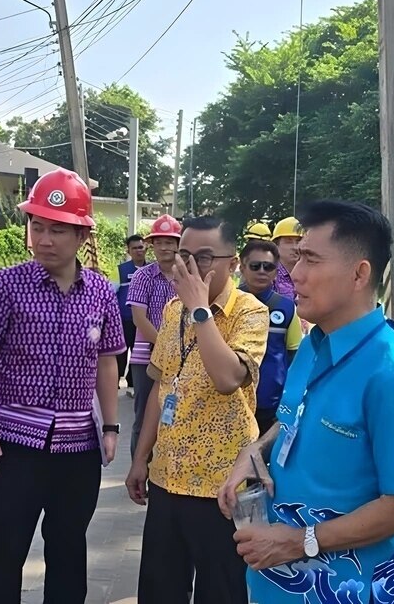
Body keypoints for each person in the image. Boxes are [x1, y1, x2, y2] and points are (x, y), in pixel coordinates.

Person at [221, 200, 394, 604]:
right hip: (275, 584)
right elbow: (292, 420)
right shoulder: (312, 346)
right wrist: (254, 450)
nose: (295, 273)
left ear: (359, 274)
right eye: (298, 256)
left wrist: (299, 542)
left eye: (312, 260)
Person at [0, 167, 124, 604]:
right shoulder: (6, 285)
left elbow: (107, 361)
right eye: (38, 226)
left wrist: (110, 427)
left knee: (68, 549)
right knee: (2, 550)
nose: (45, 239)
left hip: (77, 448)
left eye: (58, 229)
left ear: (82, 235)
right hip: (10, 444)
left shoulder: (102, 293)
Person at [125, 215, 269, 604]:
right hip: (168, 478)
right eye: (184, 256)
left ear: (233, 262)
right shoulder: (174, 311)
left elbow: (227, 379)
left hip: (222, 487)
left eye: (204, 258)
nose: (190, 267)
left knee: (220, 592)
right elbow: (161, 385)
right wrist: (141, 457)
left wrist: (201, 310)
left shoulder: (249, 313)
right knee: (159, 588)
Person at [126, 214, 182, 460]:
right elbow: (139, 318)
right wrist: (167, 347)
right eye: (159, 242)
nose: (164, 247)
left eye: (169, 241)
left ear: (178, 244)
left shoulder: (189, 276)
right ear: (152, 244)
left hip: (185, 356)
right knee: (144, 415)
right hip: (147, 356)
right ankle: (140, 467)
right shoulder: (143, 276)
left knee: (179, 415)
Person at [238, 238, 302, 434]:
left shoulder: (287, 307)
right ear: (242, 267)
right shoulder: (227, 305)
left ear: (275, 271)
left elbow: (294, 356)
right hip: (232, 402)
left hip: (270, 405)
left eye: (268, 267)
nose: (262, 272)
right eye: (255, 266)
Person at [117, 234, 148, 390]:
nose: (138, 251)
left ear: (146, 248)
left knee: (138, 353)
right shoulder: (121, 270)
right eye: (134, 248)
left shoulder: (152, 270)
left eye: (141, 247)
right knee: (121, 351)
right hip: (124, 320)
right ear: (128, 251)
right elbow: (113, 293)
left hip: (144, 321)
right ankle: (115, 380)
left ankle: (133, 382)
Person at [270, 216, 302, 300]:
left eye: (298, 241)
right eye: (288, 241)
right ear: (276, 245)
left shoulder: (310, 273)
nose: (295, 247)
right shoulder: (269, 274)